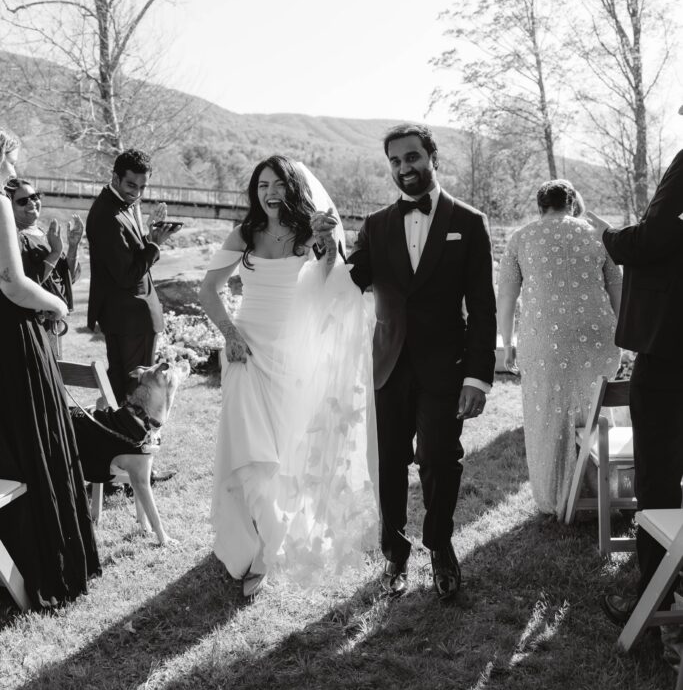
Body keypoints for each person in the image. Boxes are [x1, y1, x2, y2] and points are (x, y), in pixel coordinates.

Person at [324, 123, 497, 601]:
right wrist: (325, 250)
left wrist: (478, 376)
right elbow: (350, 281)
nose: (404, 168)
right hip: (388, 367)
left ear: (432, 157)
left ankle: (440, 545)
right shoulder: (377, 225)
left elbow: (483, 308)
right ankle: (394, 554)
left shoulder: (470, 221)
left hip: (446, 367)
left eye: (412, 157)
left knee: (440, 459)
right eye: (396, 161)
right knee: (388, 464)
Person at [200, 155, 377, 598]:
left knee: (285, 453)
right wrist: (230, 334)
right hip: (245, 353)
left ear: (293, 188)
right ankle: (258, 550)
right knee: (250, 454)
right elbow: (208, 289)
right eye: (262, 185)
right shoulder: (244, 234)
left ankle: (272, 540)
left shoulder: (310, 234)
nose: (270, 192)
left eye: (278, 184)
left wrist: (328, 246)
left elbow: (332, 289)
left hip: (292, 357)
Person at [584, 114, 683, 626]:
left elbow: (652, 241)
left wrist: (611, 235)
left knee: (659, 471)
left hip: (671, 347)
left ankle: (657, 596)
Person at [0, 127, 100, 609]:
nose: (12, 173)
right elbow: (12, 283)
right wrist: (57, 305)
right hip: (12, 337)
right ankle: (46, 565)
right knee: (35, 436)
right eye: (10, 162)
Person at [497, 179, 622, 519]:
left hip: (543, 341)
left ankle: (556, 498)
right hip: (598, 338)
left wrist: (507, 342)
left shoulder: (522, 237)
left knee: (547, 418)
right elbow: (617, 289)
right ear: (572, 203)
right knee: (595, 410)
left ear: (541, 207)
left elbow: (506, 295)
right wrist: (624, 335)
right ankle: (604, 493)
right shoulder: (598, 235)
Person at [86, 148, 175, 403]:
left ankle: (119, 428)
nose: (136, 192)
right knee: (134, 394)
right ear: (115, 177)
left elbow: (130, 257)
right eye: (131, 185)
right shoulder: (108, 214)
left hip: (129, 319)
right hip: (130, 319)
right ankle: (125, 430)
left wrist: (150, 237)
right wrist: (155, 246)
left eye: (142, 187)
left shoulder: (122, 206)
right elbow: (126, 276)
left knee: (124, 392)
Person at [5, 177, 83, 354]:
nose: (32, 203)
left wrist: (73, 246)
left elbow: (68, 279)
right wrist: (54, 253)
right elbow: (26, 283)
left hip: (53, 321)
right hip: (32, 323)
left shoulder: (43, 233)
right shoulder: (15, 239)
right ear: (8, 207)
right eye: (22, 201)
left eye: (34, 197)